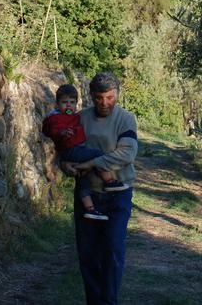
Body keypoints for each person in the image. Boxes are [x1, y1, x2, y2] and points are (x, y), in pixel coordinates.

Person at [62, 72, 138, 305]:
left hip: (118, 196)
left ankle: (109, 301)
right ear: (90, 96)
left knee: (113, 250)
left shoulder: (126, 119)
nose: (104, 103)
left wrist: (92, 163)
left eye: (110, 97)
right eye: (98, 98)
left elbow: (127, 153)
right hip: (88, 196)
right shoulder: (79, 118)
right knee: (88, 255)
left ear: (117, 95)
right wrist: (65, 165)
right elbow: (66, 149)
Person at [42, 84, 129, 221]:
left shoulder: (75, 116)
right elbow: (52, 130)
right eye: (64, 103)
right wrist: (62, 133)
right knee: (97, 155)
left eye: (72, 103)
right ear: (57, 104)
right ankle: (110, 181)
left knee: (82, 181)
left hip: (72, 150)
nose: (68, 106)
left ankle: (90, 209)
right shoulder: (55, 118)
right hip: (72, 150)